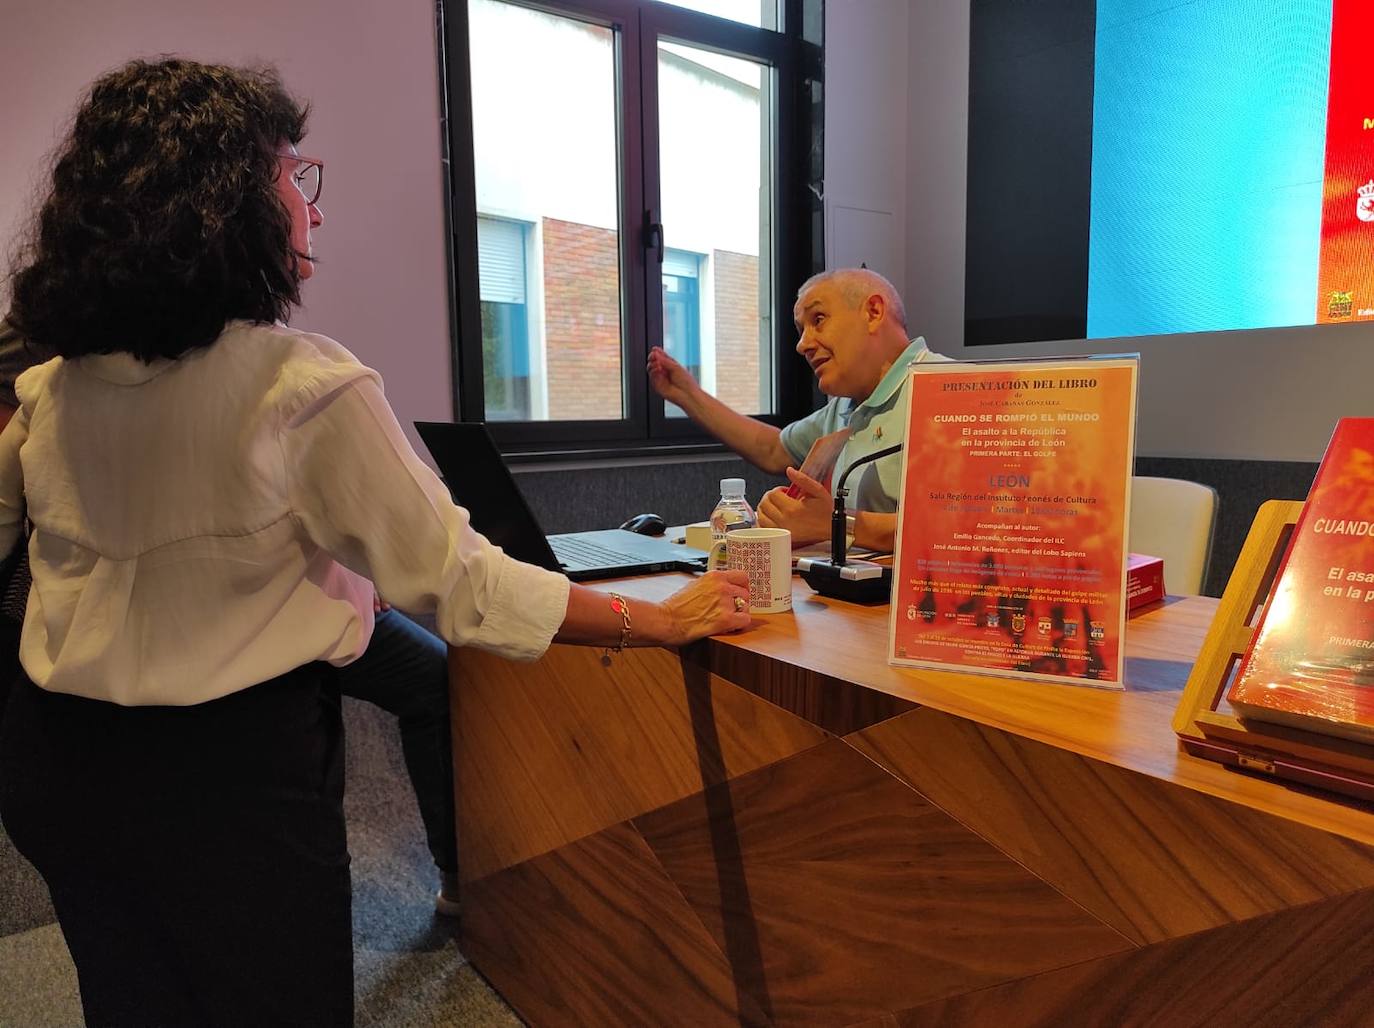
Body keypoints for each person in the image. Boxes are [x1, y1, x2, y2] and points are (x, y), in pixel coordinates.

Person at [0, 58, 750, 1027]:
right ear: (231, 201)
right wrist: (650, 619)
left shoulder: (50, 389)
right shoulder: (301, 384)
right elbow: (465, 583)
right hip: (229, 785)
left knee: (133, 996)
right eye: (294, 176)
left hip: (58, 763)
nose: (312, 209)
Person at [0, 336, 464, 915]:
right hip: (147, 647)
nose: (311, 241)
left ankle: (458, 869)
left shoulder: (277, 366)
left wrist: (359, 573)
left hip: (299, 600)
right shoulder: (47, 364)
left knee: (434, 680)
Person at [648, 268, 949, 553]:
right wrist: (687, 394)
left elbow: (973, 532)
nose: (802, 344)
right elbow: (771, 449)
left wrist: (837, 523)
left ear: (873, 313)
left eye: (818, 319)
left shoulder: (956, 391)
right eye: (800, 330)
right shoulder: (846, 406)